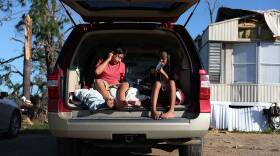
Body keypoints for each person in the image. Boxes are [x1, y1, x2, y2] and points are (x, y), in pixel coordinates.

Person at [151, 50, 177, 120]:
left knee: (172, 82)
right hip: (160, 94)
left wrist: (163, 72)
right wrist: (156, 73)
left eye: (163, 59)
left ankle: (171, 111)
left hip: (169, 94)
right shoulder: (156, 67)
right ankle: (153, 110)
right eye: (159, 58)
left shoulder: (172, 69)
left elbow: (170, 81)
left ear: (168, 59)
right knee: (157, 83)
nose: (161, 60)